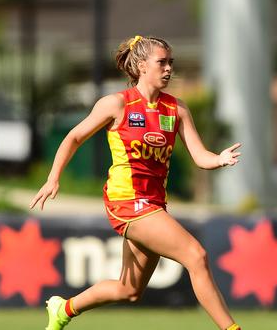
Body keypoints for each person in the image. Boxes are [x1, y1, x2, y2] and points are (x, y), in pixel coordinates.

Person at [30, 35, 243, 330]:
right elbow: (74, 137)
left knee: (128, 290)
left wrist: (218, 158)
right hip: (127, 201)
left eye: (171, 63)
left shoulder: (177, 109)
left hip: (153, 204)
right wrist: (53, 178)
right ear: (141, 66)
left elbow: (199, 156)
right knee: (196, 255)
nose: (169, 69)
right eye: (162, 62)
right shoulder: (117, 104)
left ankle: (63, 309)